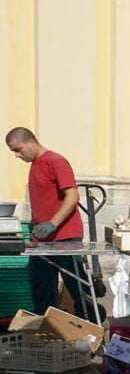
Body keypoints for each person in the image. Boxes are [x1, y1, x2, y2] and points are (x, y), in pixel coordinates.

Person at [6, 128, 97, 319]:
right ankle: (47, 331)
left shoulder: (55, 161)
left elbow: (72, 196)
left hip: (65, 237)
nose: (17, 155)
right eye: (14, 151)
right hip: (42, 241)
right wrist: (33, 233)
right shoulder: (35, 166)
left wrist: (53, 223)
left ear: (31, 142)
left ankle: (91, 329)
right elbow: (42, 203)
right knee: (43, 290)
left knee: (78, 289)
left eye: (19, 149)